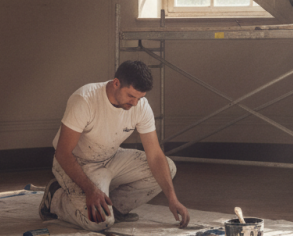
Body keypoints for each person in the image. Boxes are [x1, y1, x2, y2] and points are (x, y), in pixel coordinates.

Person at [39, 60, 190, 231]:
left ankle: (116, 209)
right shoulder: (85, 99)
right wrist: (90, 190)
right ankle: (55, 199)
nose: (134, 103)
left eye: (140, 98)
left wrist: (172, 198)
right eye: (131, 96)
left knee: (168, 168)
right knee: (99, 223)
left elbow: (155, 154)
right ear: (116, 83)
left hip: (110, 158)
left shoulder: (140, 105)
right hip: (77, 162)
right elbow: (62, 153)